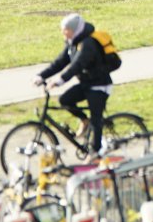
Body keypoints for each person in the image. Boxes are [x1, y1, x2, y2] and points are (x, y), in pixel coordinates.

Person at [39, 13, 116, 150]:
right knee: (65, 100)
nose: (63, 32)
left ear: (74, 30)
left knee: (96, 120)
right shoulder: (73, 43)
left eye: (65, 30)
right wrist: (41, 76)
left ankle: (95, 154)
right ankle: (84, 120)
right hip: (86, 84)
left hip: (100, 86)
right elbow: (60, 62)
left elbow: (78, 65)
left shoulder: (88, 43)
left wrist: (60, 80)